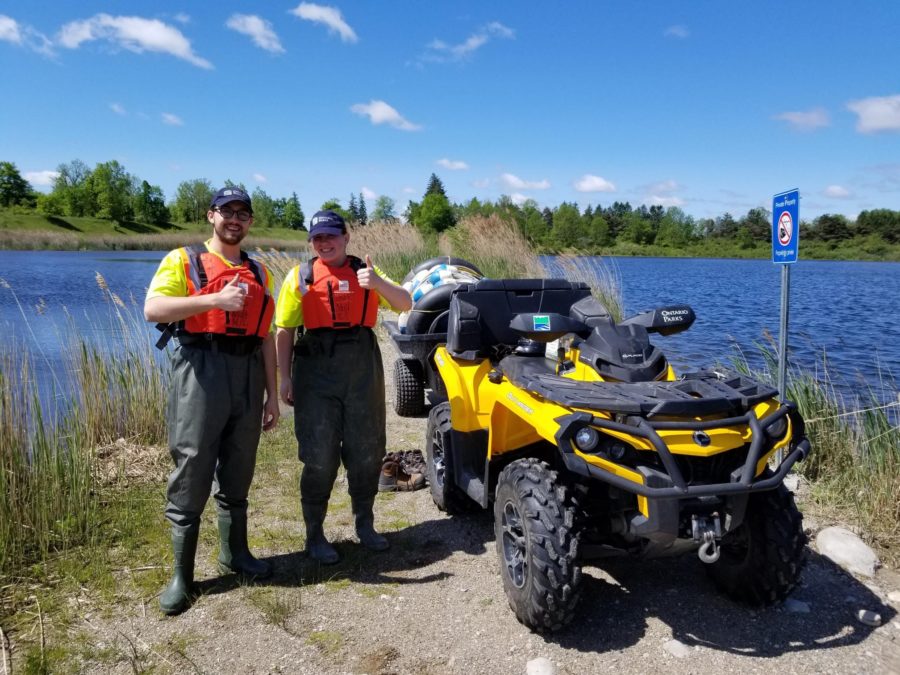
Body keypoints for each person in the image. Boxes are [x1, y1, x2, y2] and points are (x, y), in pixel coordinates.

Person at [144, 186, 279, 614]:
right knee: (194, 463)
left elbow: (267, 335)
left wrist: (273, 394)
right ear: (211, 216)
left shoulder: (260, 272)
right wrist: (215, 300)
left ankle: (234, 554)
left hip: (248, 374)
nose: (234, 219)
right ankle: (182, 576)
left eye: (243, 213)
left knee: (240, 464)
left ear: (250, 221)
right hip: (200, 369)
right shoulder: (183, 261)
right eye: (227, 212)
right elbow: (153, 309)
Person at [275, 210, 412, 564]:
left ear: (346, 237)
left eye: (331, 236)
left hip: (361, 366)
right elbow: (285, 329)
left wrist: (377, 284)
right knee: (319, 457)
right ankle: (315, 534)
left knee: (367, 451)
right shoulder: (299, 276)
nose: (324, 243)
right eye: (317, 238)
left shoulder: (365, 271)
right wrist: (284, 377)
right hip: (315, 367)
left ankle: (364, 525)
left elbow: (405, 303)